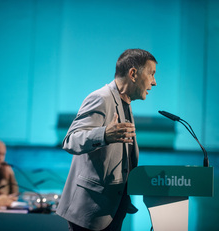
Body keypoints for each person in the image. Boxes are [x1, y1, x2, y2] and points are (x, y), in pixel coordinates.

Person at [56, 48, 157, 231]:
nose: (154, 82)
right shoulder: (101, 98)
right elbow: (70, 140)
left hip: (112, 209)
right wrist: (103, 135)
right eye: (151, 74)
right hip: (90, 210)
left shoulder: (125, 103)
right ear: (133, 73)